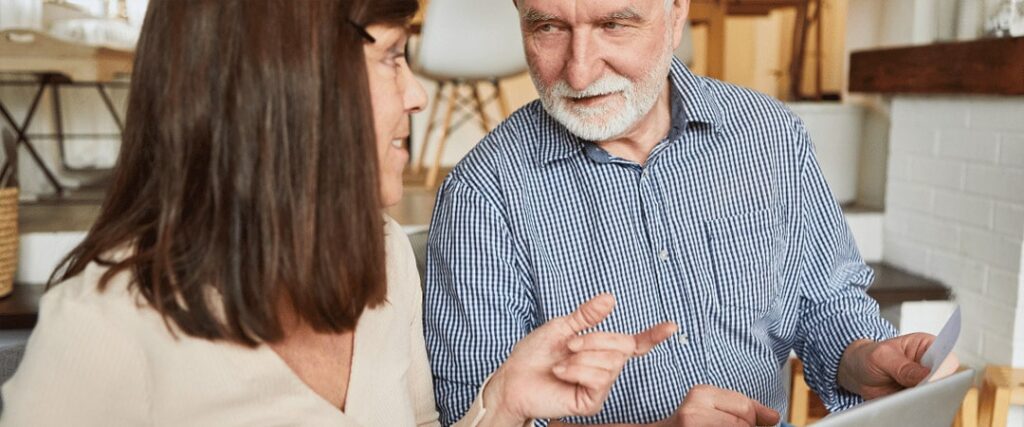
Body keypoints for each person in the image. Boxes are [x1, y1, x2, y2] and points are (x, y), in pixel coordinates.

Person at [0, 0, 679, 426]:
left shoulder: (378, 251)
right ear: (291, 79)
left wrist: (502, 402)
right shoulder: (105, 323)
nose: (415, 95)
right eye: (391, 57)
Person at [423, 0, 957, 425]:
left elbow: (822, 300)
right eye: (547, 28)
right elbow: (479, 415)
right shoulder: (480, 195)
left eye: (615, 24)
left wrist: (863, 355)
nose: (580, 73)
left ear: (676, 12)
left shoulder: (769, 135)